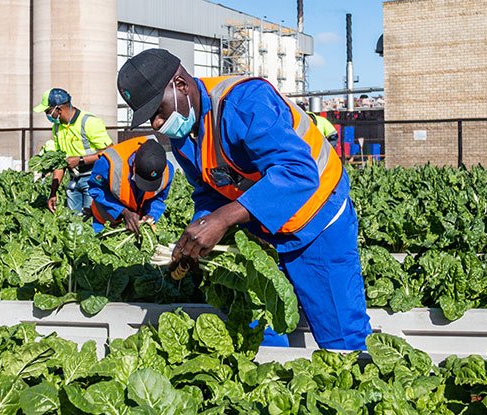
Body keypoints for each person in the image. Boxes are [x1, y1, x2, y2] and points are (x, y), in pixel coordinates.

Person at [117, 49, 372, 351]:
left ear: (181, 85)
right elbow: (209, 189)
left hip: (317, 219)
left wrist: (223, 219)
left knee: (340, 336)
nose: (157, 124)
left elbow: (298, 173)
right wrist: (201, 229)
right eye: (150, 119)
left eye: (158, 111)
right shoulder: (183, 132)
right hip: (262, 229)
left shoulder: (245, 101)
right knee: (260, 328)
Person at [33, 88, 112, 215]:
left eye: (48, 111)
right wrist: (53, 192)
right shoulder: (57, 127)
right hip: (73, 180)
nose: (47, 115)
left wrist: (80, 160)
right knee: (73, 223)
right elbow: (60, 162)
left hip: (93, 179)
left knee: (91, 220)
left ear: (58, 109)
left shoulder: (89, 122)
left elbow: (110, 151)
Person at [89, 136, 173, 234]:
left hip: (135, 225)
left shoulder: (167, 171)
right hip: (105, 221)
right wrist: (123, 211)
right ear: (133, 164)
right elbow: (96, 189)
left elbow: (158, 198)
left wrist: (151, 215)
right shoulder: (109, 162)